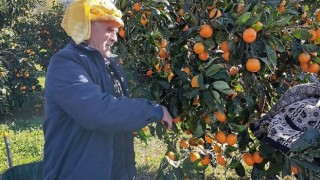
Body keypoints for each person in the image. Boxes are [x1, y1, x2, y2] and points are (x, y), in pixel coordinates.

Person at [43, 0, 173, 179]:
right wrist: (153, 110)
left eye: (116, 30)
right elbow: (97, 111)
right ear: (86, 27)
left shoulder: (110, 64)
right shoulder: (65, 63)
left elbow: (117, 109)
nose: (115, 37)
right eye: (109, 30)